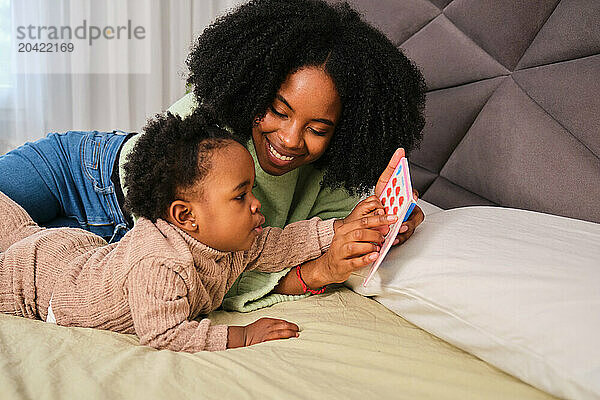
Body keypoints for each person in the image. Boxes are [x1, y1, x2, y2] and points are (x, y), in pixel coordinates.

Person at [0, 0, 426, 311]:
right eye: (278, 110)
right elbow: (213, 266)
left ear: (346, 132)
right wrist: (314, 271)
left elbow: (324, 238)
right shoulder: (208, 120)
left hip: (114, 251)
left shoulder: (333, 178)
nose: (291, 139)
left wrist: (383, 224)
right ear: (252, 87)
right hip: (86, 173)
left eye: (317, 129)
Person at [0, 109, 396, 352]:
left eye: (252, 189)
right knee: (14, 239)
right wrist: (242, 336)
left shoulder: (228, 241)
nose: (257, 203)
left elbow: (281, 243)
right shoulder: (163, 264)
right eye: (241, 195)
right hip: (37, 279)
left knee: (20, 229)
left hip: (77, 252)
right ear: (187, 217)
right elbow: (164, 334)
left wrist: (341, 228)